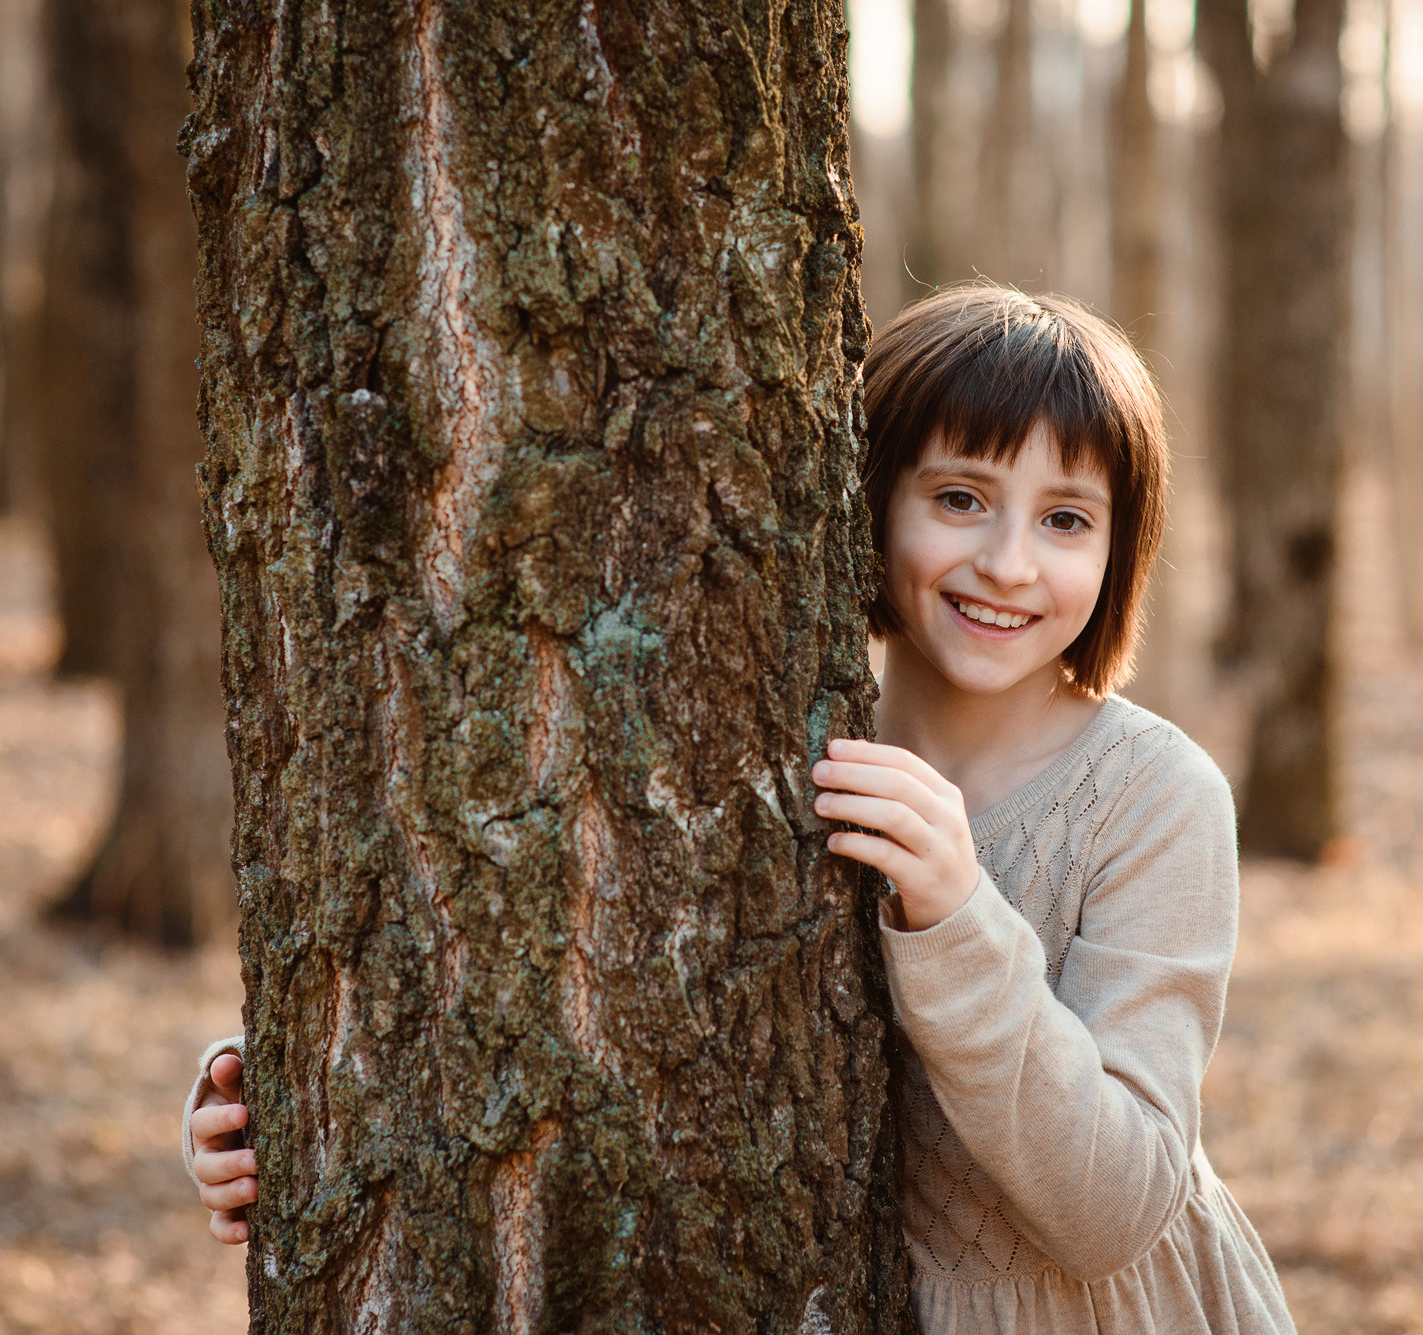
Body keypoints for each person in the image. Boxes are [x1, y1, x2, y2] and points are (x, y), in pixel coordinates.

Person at [184, 284, 1297, 1333]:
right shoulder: (760, 726)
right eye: (958, 498)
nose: (1007, 563)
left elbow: (1115, 1210)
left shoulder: (1154, 799)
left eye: (1065, 519)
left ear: (1119, 549)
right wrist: (306, 1089)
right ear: (864, 499)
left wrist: (960, 916)